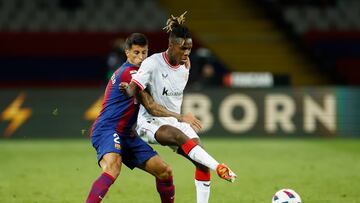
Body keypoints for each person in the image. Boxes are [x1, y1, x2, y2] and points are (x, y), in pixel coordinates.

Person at [121, 12, 237, 203]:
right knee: (178, 136)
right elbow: (142, 99)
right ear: (171, 45)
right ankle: (220, 168)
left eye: (189, 49)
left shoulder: (186, 65)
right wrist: (128, 89)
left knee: (201, 164)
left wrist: (179, 119)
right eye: (183, 49)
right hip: (151, 122)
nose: (186, 53)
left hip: (174, 120)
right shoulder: (151, 64)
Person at [86, 33, 199, 203]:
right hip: (107, 129)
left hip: (126, 135)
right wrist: (181, 117)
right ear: (127, 53)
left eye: (144, 53)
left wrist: (182, 63)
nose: (140, 57)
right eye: (136, 53)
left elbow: (164, 66)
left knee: (164, 171)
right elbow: (152, 106)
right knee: (113, 168)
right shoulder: (129, 73)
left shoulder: (144, 72)